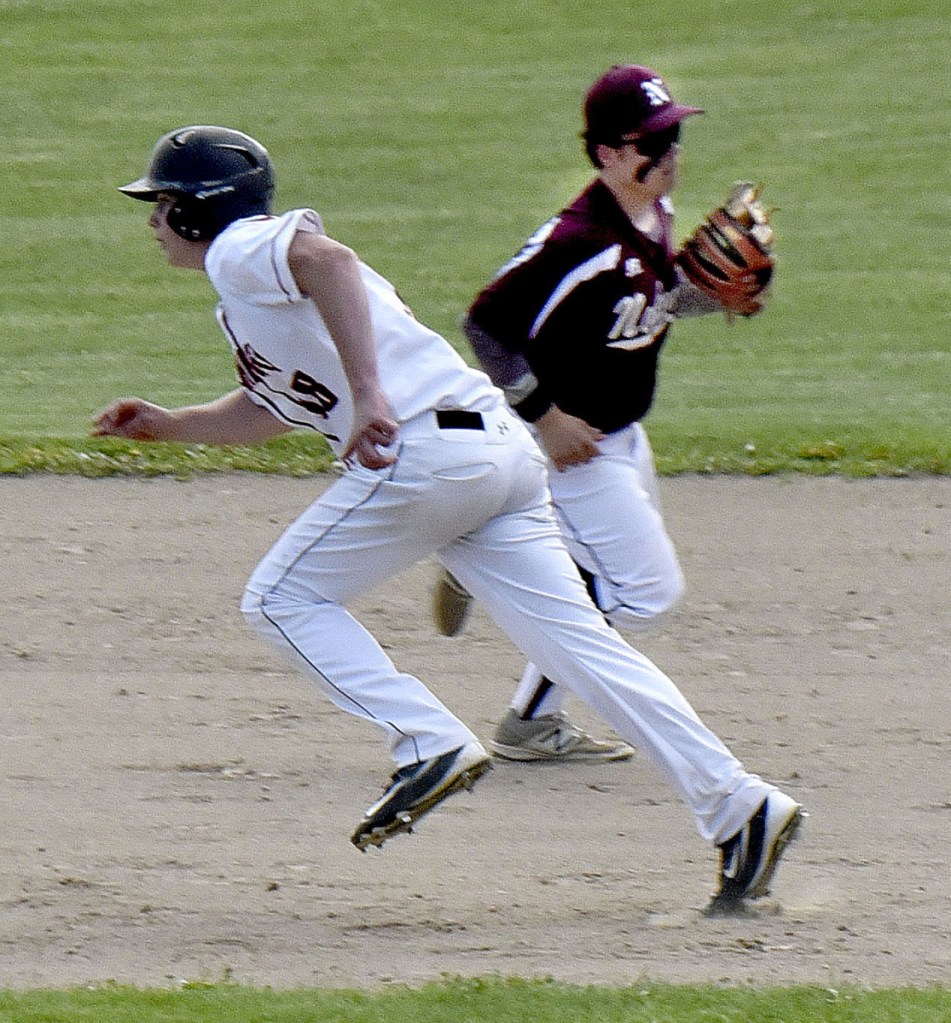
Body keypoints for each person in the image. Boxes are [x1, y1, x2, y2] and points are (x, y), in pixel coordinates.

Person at [93, 123, 801, 911]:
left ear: (198, 212)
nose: (152, 222)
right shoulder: (248, 291)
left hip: (429, 455)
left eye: (159, 205)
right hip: (496, 456)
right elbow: (279, 405)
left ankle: (427, 741)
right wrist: (169, 423)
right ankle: (741, 805)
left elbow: (330, 261)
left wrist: (370, 395)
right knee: (584, 651)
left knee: (279, 599)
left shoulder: (240, 247)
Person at [433, 64, 735, 765]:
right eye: (651, 143)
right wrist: (544, 417)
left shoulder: (651, 216)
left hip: (624, 433)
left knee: (605, 582)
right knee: (644, 592)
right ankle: (490, 572)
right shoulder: (575, 241)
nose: (669, 157)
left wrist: (718, 293)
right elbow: (485, 325)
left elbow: (651, 302)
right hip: (571, 446)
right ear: (605, 153)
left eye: (673, 139)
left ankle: (526, 701)